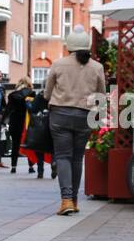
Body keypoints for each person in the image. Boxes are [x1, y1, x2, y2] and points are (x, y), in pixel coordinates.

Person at [41, 26, 106, 216]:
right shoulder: (97, 67)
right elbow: (101, 95)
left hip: (60, 115)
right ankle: (75, 200)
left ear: (68, 45)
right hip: (85, 116)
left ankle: (66, 199)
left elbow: (47, 93)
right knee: (77, 158)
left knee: (63, 157)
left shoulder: (58, 64)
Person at [5, 77, 37, 174]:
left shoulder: (12, 95)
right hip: (26, 123)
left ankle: (13, 167)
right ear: (29, 84)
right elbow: (34, 109)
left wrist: (4, 122)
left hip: (14, 123)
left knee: (15, 145)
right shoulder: (32, 94)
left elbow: (8, 110)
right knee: (28, 145)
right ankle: (31, 167)